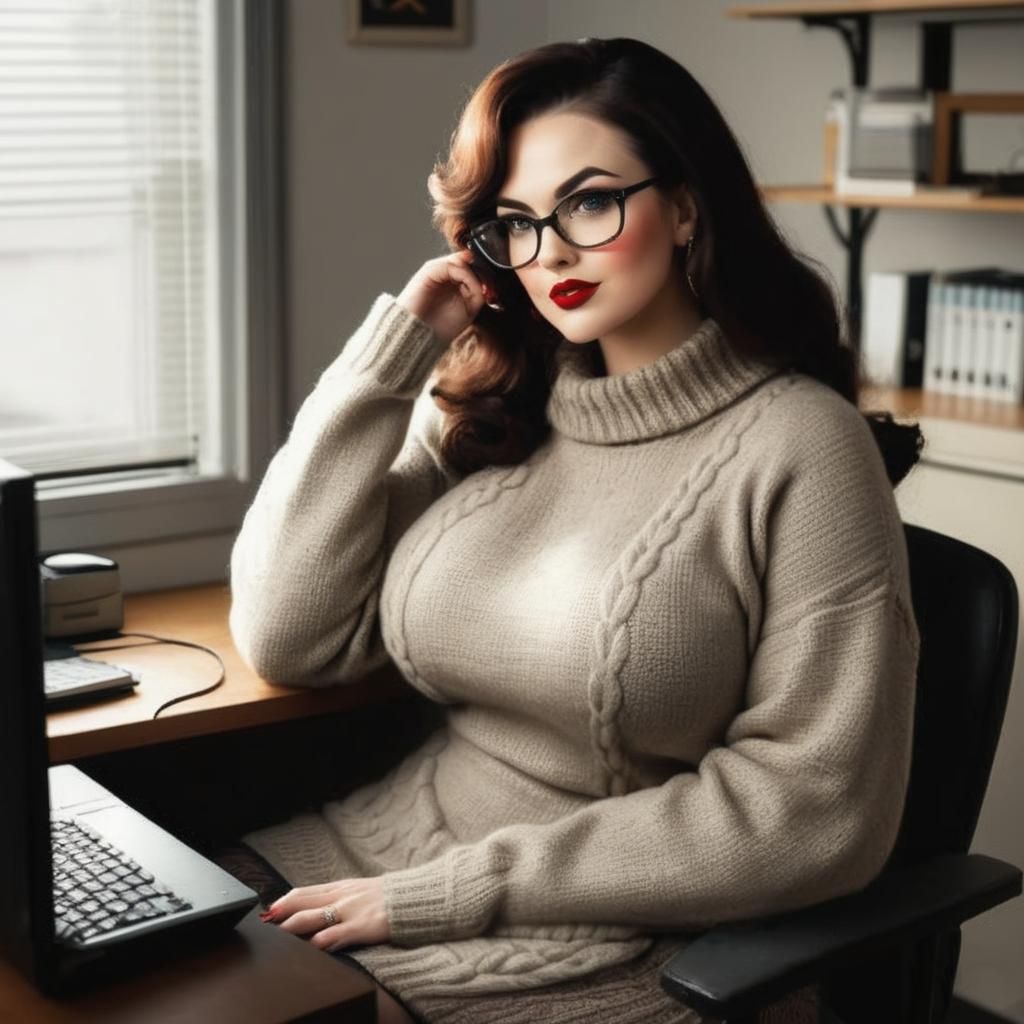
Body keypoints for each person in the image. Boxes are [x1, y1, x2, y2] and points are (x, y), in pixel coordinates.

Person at [225, 37, 923, 1024]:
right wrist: (395, 353)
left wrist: (460, 890)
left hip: (614, 943)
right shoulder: (493, 402)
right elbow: (288, 634)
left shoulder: (803, 444)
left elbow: (814, 815)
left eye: (589, 202)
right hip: (363, 857)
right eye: (514, 221)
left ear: (684, 206)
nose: (548, 249)